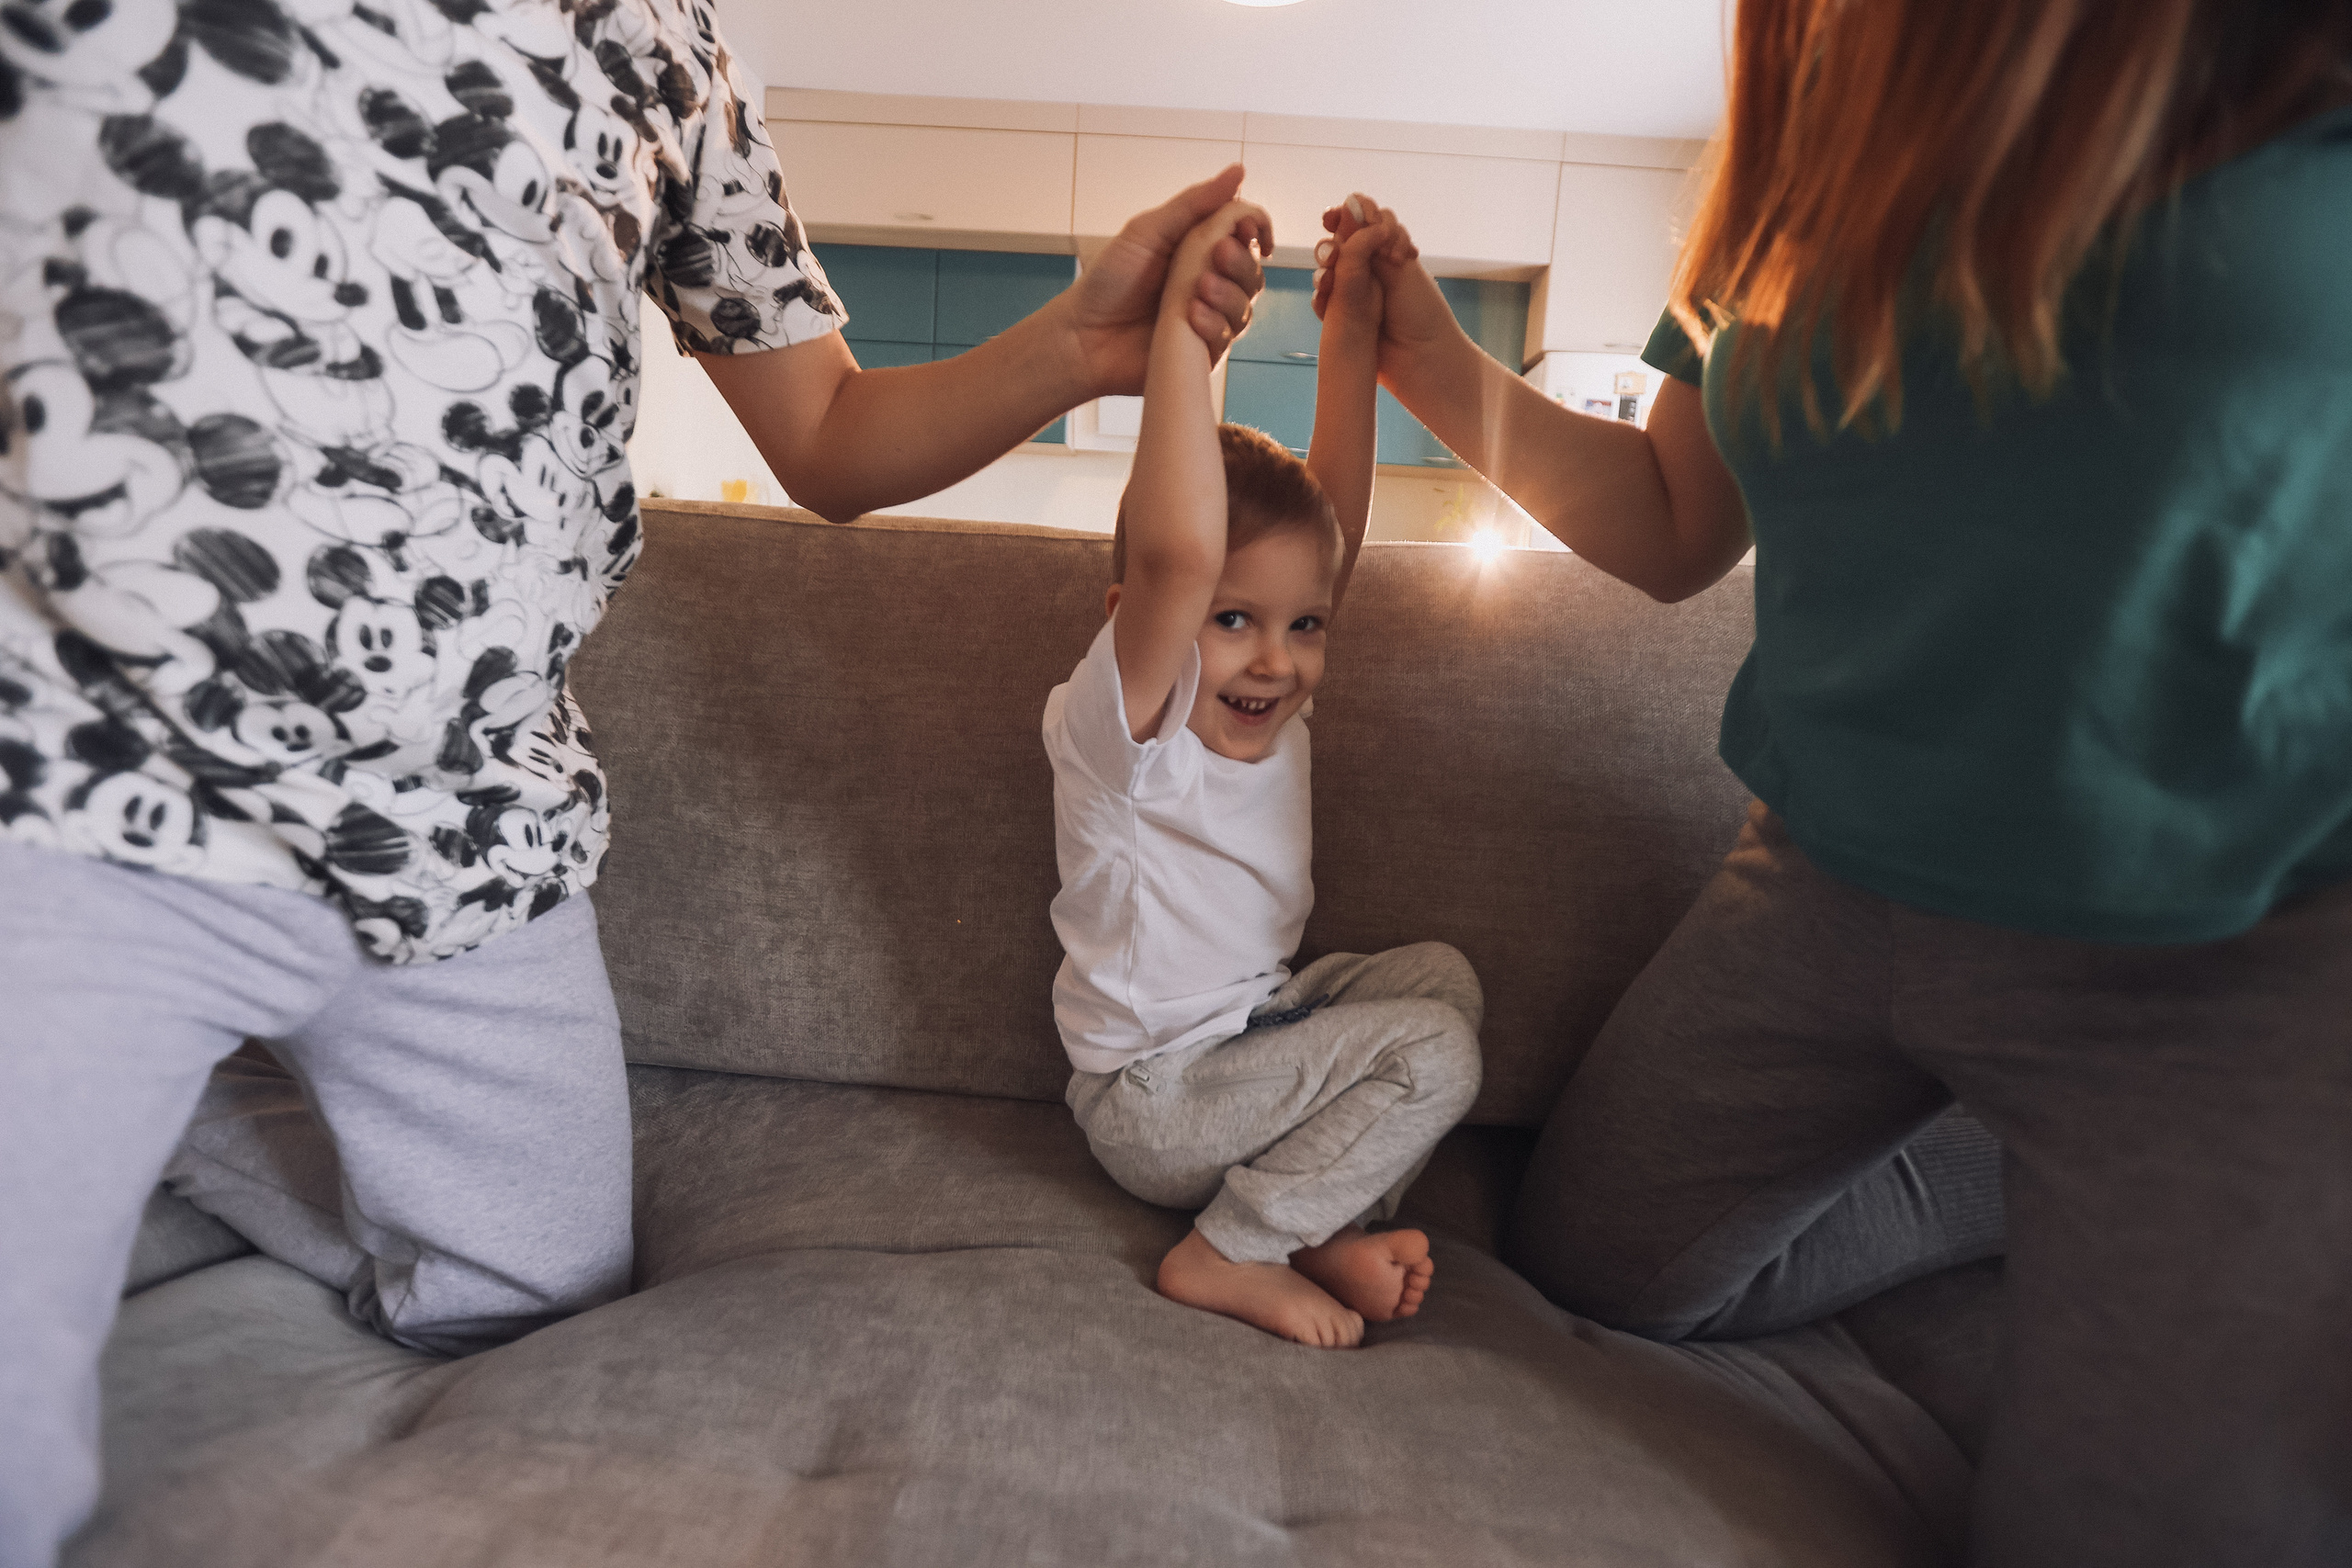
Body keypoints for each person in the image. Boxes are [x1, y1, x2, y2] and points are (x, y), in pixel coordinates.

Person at [0, 0, 1268, 1558]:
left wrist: (1082, 342)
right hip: (77, 788)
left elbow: (831, 435)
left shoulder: (664, 39)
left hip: (467, 824)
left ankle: (180, 1113)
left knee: (534, 1301)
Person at [1343, 3, 2352, 1563]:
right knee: (1604, 1263)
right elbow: (1680, 516)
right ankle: (2023, 1174)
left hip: (2224, 960)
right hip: (1823, 887)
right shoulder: (1814, 125)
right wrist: (1430, 359)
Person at [1043, 196, 1484, 1350]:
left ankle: (1309, 1218)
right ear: (1140, 614)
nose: (1275, 661)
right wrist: (1183, 339)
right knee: (1434, 1056)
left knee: (1441, 985)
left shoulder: (1273, 708)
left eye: (1304, 627)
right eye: (1231, 619)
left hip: (1250, 1035)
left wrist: (1353, 332)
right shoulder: (1129, 730)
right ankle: (1227, 1252)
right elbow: (1175, 555)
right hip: (1156, 1100)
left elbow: (1330, 525)